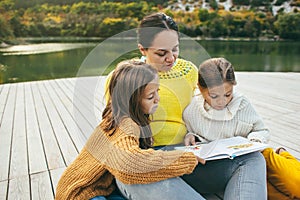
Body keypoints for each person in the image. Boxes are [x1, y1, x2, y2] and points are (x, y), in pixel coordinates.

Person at [55, 60, 205, 200]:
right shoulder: (125, 124)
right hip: (81, 194)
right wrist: (181, 159)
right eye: (151, 96)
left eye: (157, 91)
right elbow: (128, 164)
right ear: (131, 99)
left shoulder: (118, 114)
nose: (157, 99)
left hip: (104, 189)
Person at [105, 12, 198, 147]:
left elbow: (199, 112)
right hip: (142, 153)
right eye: (161, 53)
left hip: (186, 149)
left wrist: (193, 134)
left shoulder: (189, 72)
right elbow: (113, 122)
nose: (171, 58)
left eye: (175, 49)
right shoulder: (124, 76)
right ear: (142, 49)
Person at [181, 57, 269, 199]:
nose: (222, 101)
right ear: (200, 88)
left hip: (235, 165)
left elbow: (261, 130)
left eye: (227, 94)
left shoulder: (242, 105)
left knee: (255, 157)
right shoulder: (192, 109)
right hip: (204, 169)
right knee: (254, 161)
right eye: (214, 96)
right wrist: (190, 136)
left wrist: (255, 140)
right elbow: (190, 133)